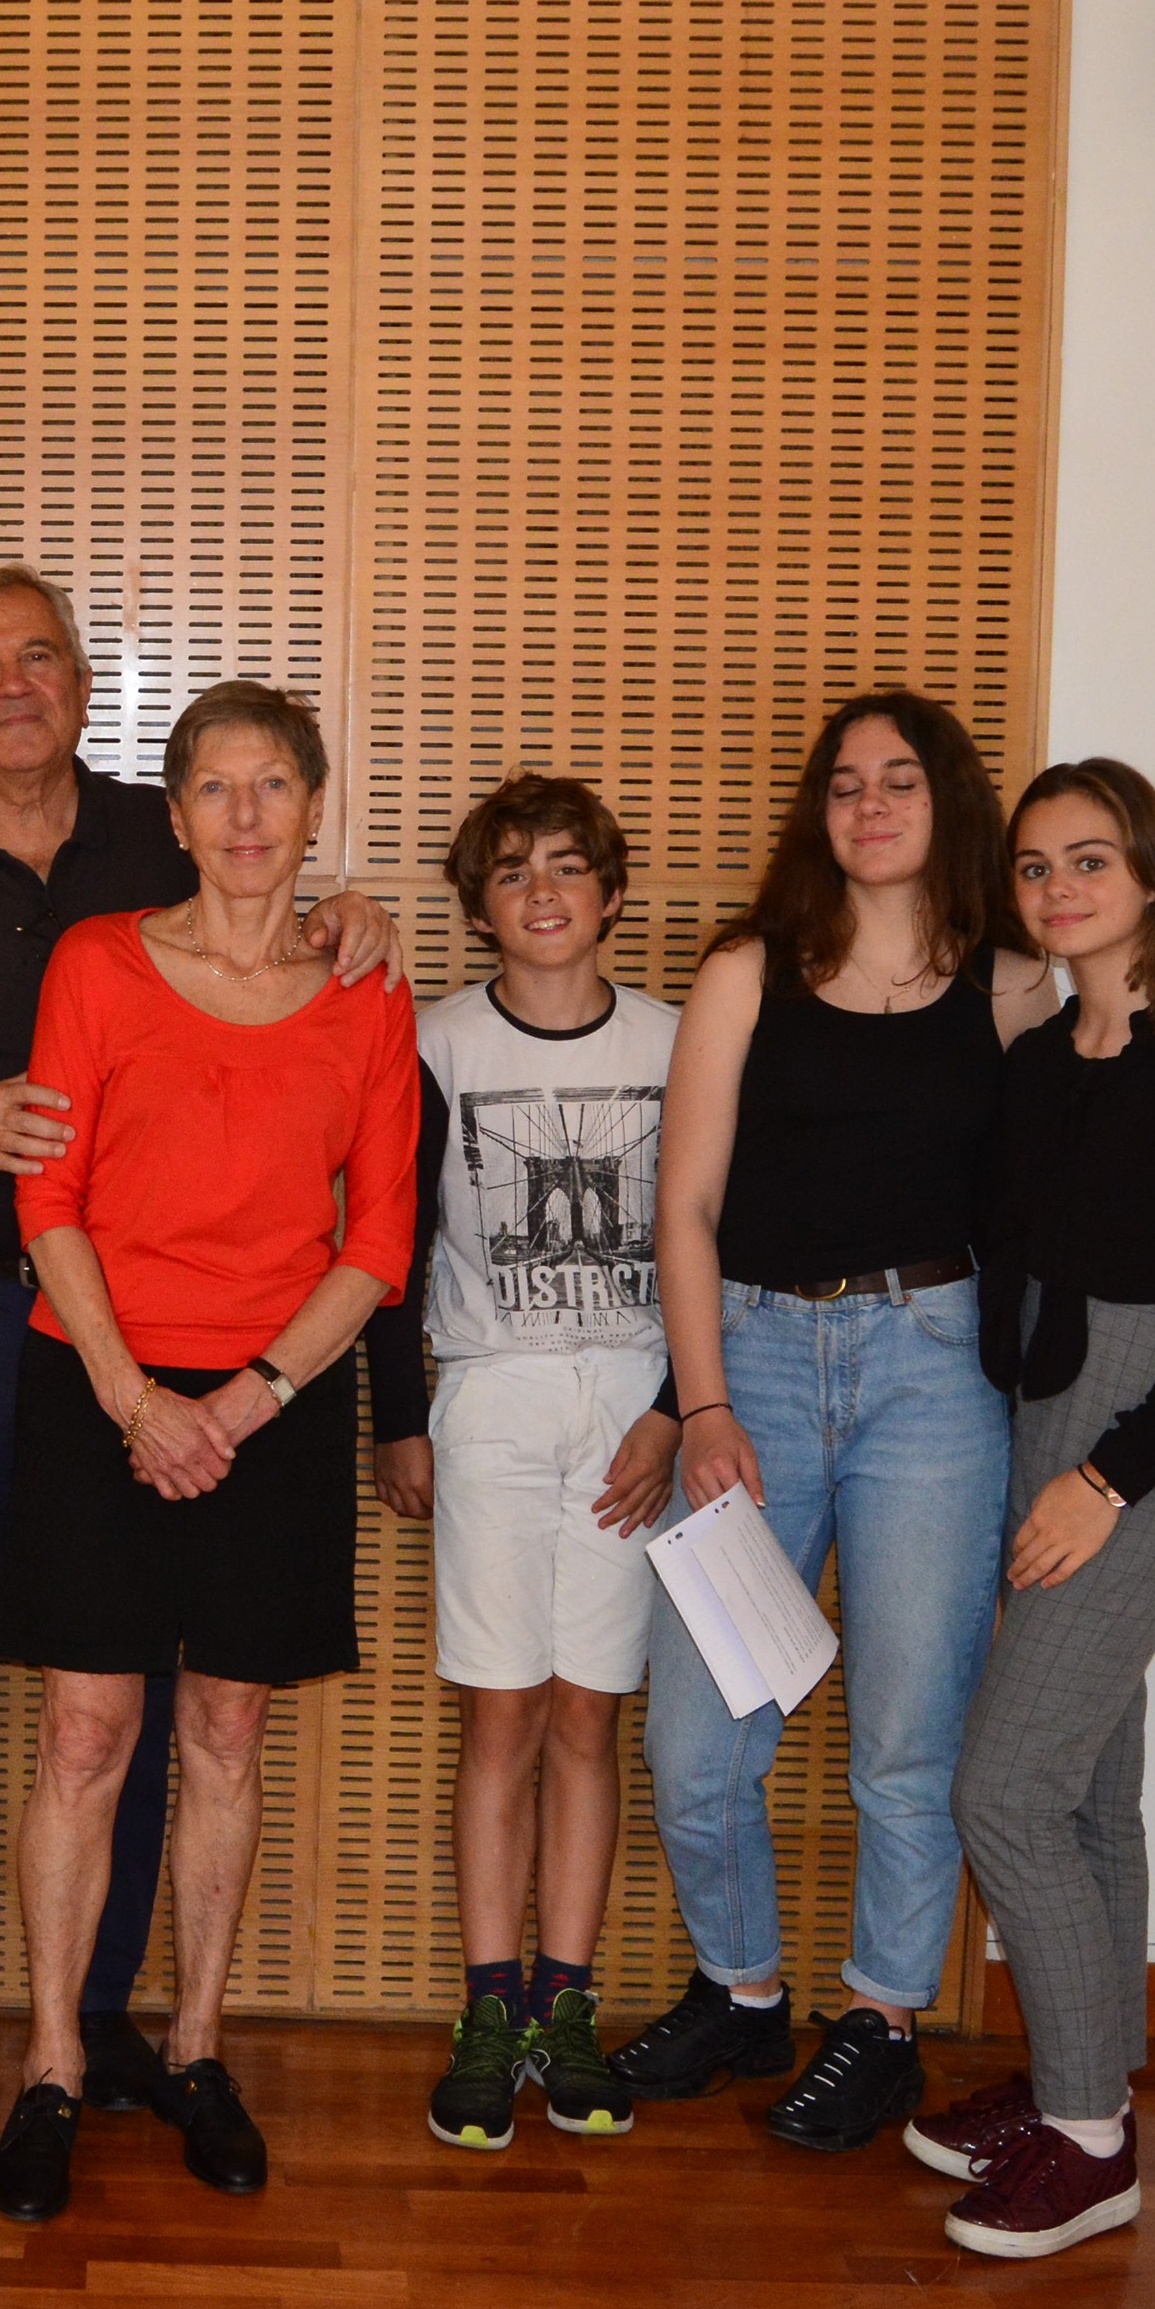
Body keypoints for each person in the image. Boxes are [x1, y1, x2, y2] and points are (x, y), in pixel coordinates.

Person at [0, 566, 400, 2132]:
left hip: (144, 1326)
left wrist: (352, 916)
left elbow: (280, 909)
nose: (12, 685)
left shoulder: (163, 829)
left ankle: (110, 2012)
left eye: (39, 656)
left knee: (141, 1680)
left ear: (81, 683)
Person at [0, 680, 417, 2225]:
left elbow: (380, 1239)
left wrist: (241, 1402)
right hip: (97, 1382)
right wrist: (133, 1396)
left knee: (227, 1731)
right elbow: (47, 1197)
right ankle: (51, 2059)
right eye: (214, 788)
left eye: (273, 785)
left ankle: (197, 2044)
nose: (245, 815)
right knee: (84, 1735)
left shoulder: (367, 988)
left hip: (272, 1402)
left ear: (313, 807)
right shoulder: (98, 963)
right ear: (173, 817)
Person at [625, 689, 1058, 2148]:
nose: (871, 804)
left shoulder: (1016, 987)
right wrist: (702, 1403)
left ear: (949, 803)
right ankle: (744, 1992)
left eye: (901, 780)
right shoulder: (748, 971)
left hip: (933, 1378)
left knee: (906, 1747)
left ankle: (880, 2021)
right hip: (752, 1363)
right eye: (847, 783)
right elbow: (685, 1207)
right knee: (695, 1743)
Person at [917, 759, 1155, 2256]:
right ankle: (1092, 2076)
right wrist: (1038, 1457)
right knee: (1084, 1786)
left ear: (1151, 870)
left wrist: (1103, 1480)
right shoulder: (1037, 1060)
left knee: (1003, 1789)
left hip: (1144, 1448)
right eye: (1033, 866)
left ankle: (1090, 2142)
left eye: (1089, 858)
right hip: (1042, 1422)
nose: (1059, 887)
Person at [369, 776, 679, 2152]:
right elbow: (386, 1247)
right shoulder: (435, 1043)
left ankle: (567, 2005)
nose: (542, 891)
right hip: (489, 1397)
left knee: (586, 1717)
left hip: (631, 1410)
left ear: (610, 895)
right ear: (479, 907)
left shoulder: (680, 1042)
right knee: (499, 1716)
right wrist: (400, 1417)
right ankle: (489, 2012)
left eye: (566, 866)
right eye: (511, 872)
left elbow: (715, 1234)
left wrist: (674, 1407)